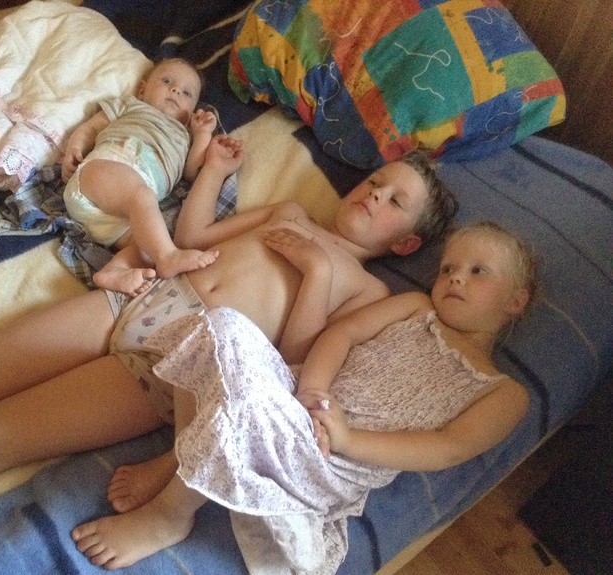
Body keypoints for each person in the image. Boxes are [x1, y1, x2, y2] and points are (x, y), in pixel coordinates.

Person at [0, 135, 456, 545]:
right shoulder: (290, 213)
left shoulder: (367, 293)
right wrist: (214, 171)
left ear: (405, 243)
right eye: (376, 181)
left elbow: (292, 361)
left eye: (394, 201)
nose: (374, 194)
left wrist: (317, 273)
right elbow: (193, 237)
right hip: (137, 297)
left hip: (172, 365)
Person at [69, 221, 538, 572]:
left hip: (332, 459)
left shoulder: (502, 392)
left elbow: (446, 448)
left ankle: (169, 515)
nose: (455, 278)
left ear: (516, 301)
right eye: (448, 268)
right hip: (298, 395)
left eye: (478, 272)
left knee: (246, 410)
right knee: (220, 324)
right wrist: (312, 389)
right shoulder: (416, 308)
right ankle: (183, 457)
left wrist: (348, 438)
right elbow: (343, 334)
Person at [61, 57, 219, 296]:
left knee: (147, 246)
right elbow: (92, 127)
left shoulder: (185, 136)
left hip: (118, 215)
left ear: (192, 112)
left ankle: (114, 271)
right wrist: (75, 146)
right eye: (167, 81)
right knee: (143, 199)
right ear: (142, 90)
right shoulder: (131, 105)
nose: (176, 91)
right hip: (104, 171)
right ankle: (168, 256)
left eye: (186, 93)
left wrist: (203, 135)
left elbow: (193, 172)